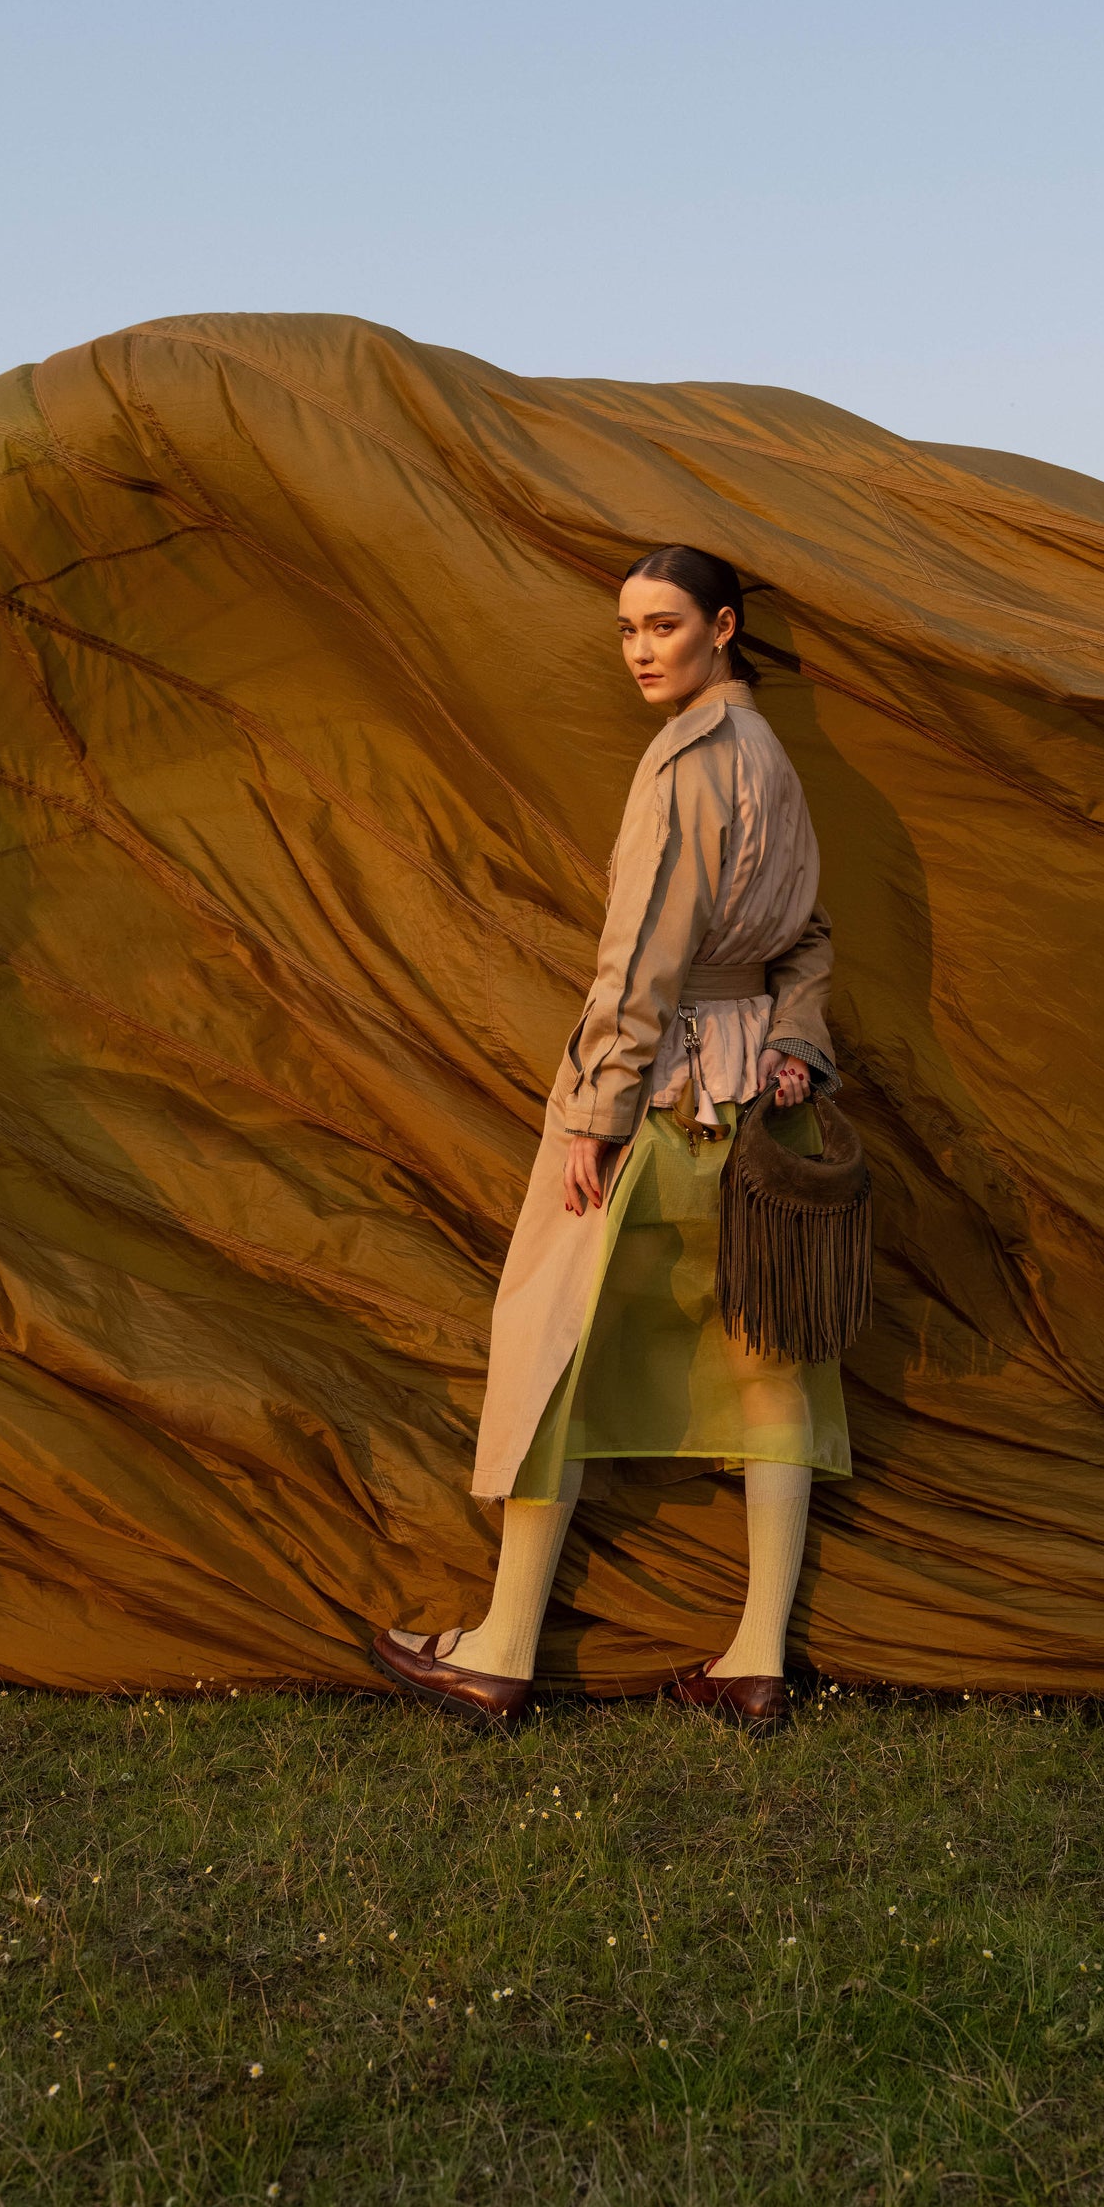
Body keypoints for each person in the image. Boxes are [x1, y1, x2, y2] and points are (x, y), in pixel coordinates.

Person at [373, 547, 849, 1733]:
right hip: (757, 1100)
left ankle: (499, 1648)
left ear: (722, 626)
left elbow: (639, 957)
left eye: (663, 625)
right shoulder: (774, 759)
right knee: (766, 1352)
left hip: (661, 1091)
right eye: (627, 628)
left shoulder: (686, 761)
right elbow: (810, 935)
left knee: (553, 1344)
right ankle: (754, 1661)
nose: (639, 648)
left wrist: (595, 1111)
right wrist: (794, 1041)